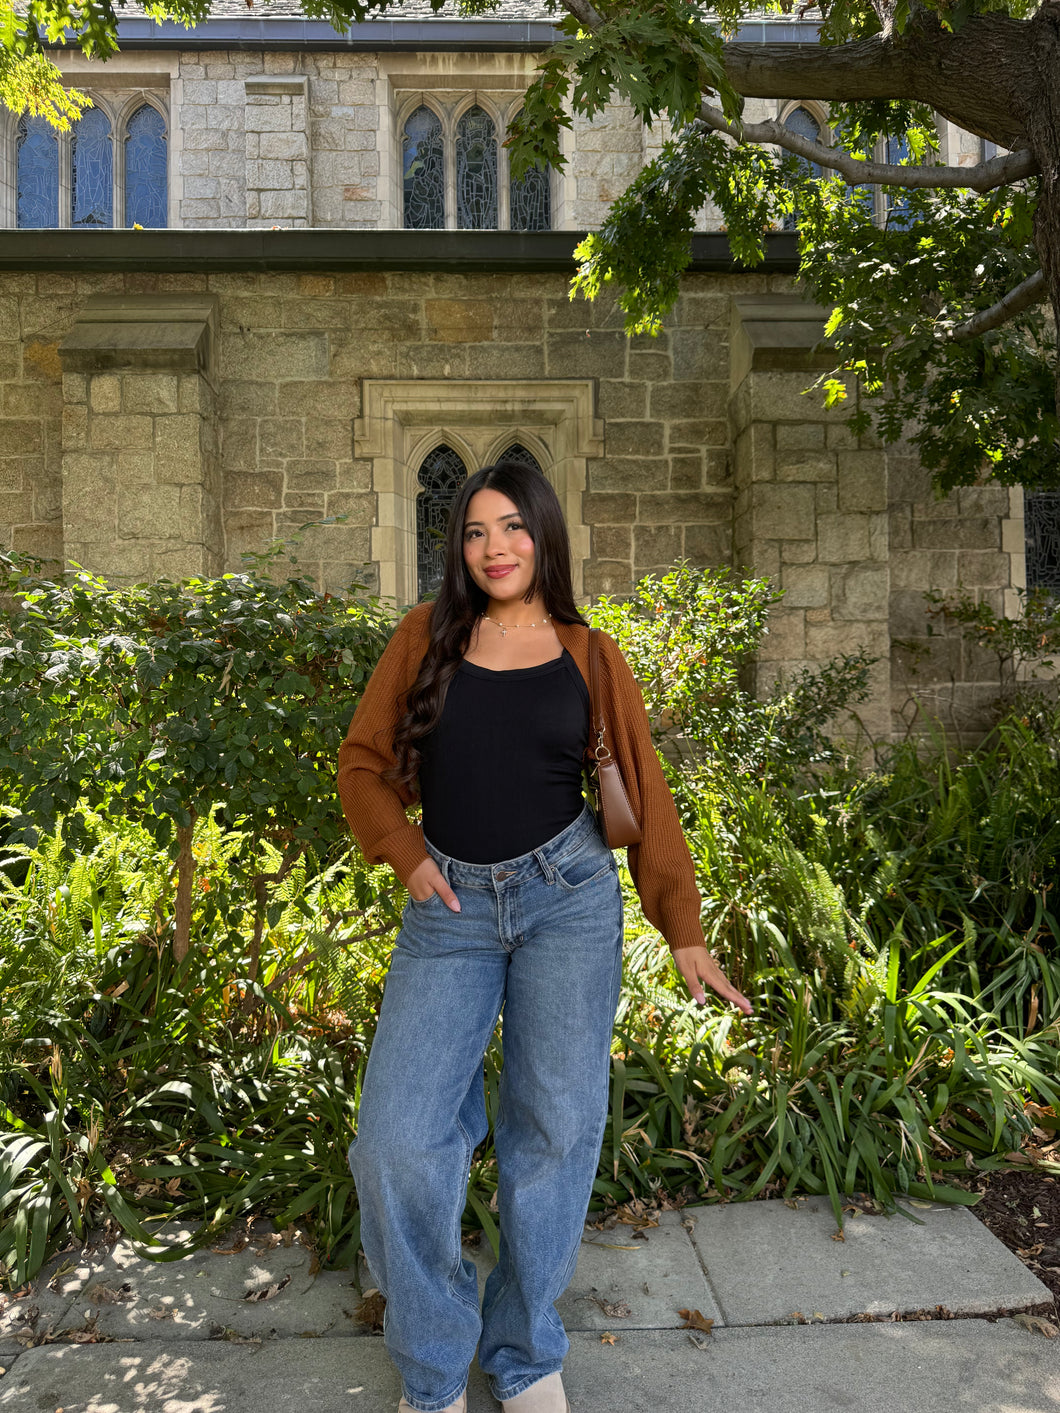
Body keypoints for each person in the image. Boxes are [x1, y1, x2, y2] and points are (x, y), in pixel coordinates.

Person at [337, 460, 752, 1413]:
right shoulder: (425, 641)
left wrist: (680, 926)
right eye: (476, 531)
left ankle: (524, 1348)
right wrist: (404, 852)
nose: (496, 548)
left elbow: (644, 791)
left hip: (568, 900)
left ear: (545, 537)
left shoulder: (589, 653)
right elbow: (363, 763)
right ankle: (438, 1363)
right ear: (459, 547)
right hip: (449, 910)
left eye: (514, 527)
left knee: (555, 1130)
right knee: (397, 1139)